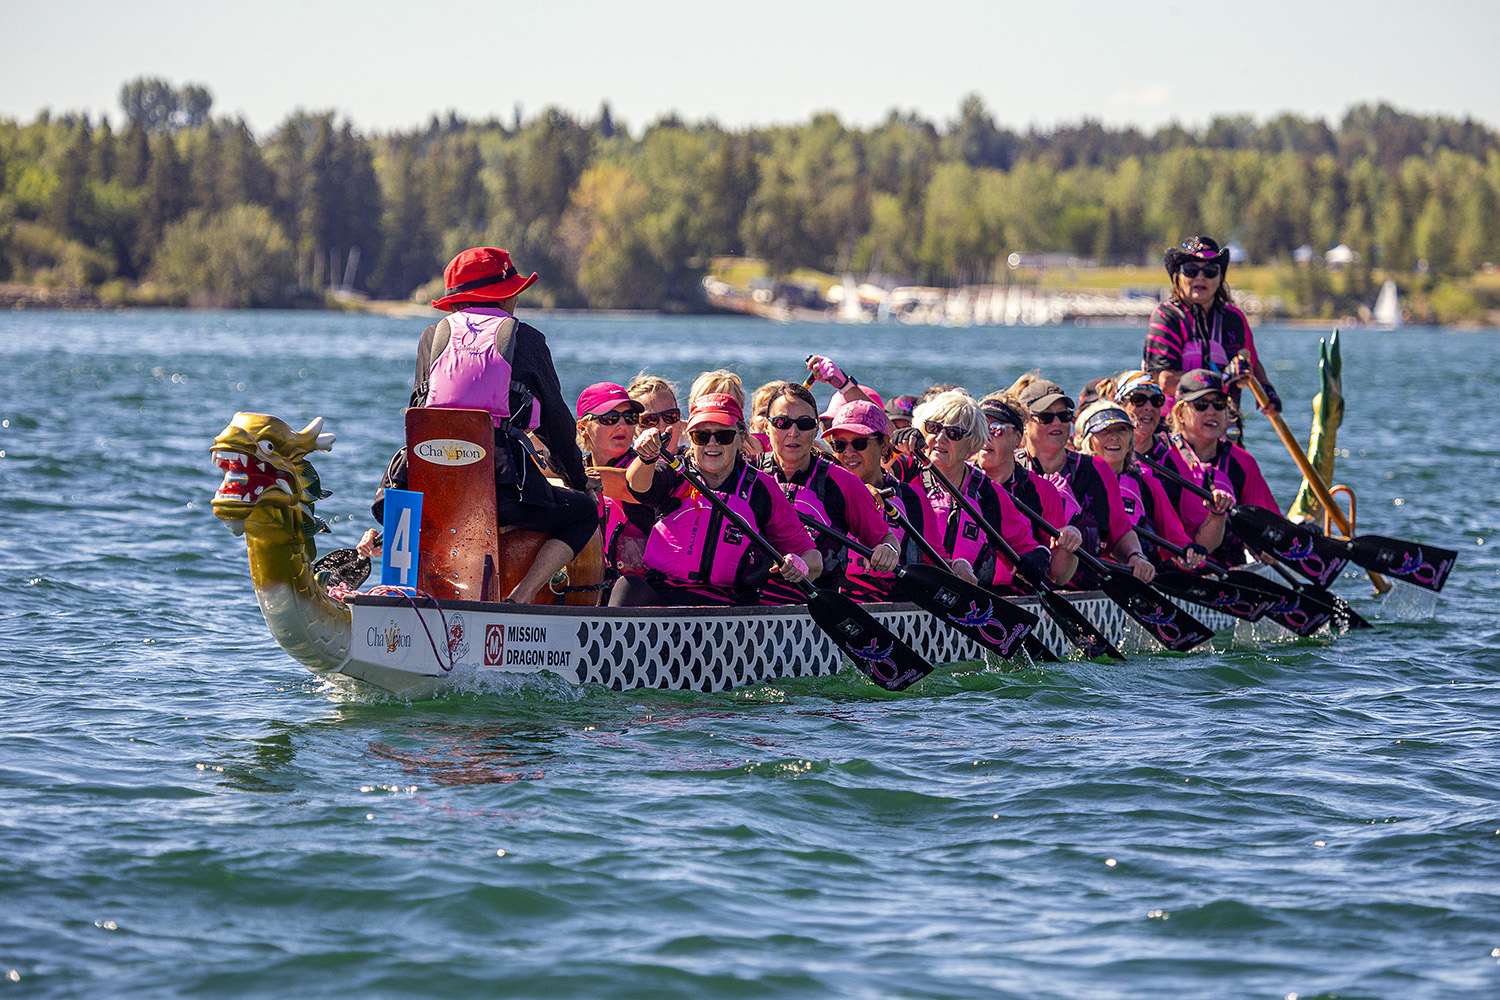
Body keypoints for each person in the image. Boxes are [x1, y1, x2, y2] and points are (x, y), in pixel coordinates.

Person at [362, 247, 598, 604]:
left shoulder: (432, 336)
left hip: (424, 487)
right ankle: (519, 600)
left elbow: (418, 413)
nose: (518, 297)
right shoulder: (527, 339)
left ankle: (402, 597)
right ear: (503, 294)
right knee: (583, 513)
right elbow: (557, 425)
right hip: (499, 493)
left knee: (415, 502)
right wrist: (579, 483)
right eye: (514, 289)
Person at [609, 392, 819, 607]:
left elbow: (813, 558)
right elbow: (637, 485)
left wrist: (800, 565)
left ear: (740, 437)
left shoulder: (762, 488)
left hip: (731, 606)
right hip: (665, 595)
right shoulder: (674, 473)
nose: (712, 443)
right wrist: (645, 458)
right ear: (691, 439)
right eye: (701, 436)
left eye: (723, 436)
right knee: (628, 586)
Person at [753, 381, 900, 603]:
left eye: (803, 424)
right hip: (750, 604)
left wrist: (889, 550)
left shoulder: (844, 483)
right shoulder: (746, 473)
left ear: (815, 430)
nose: (793, 433)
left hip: (817, 606)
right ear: (767, 427)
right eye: (782, 423)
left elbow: (886, 538)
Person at [1013, 377, 1154, 584]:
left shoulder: (1098, 470)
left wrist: (1136, 556)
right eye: (1046, 417)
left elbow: (1121, 531)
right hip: (1023, 590)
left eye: (1064, 416)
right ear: (1024, 424)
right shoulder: (1010, 471)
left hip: (1087, 591)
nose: (1057, 423)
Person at [911, 390, 1049, 593]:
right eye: (933, 428)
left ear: (972, 446)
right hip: (908, 593)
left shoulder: (989, 494)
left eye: (954, 433)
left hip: (966, 597)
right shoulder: (904, 472)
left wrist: (1038, 558)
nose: (939, 438)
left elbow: (1026, 547)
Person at [1074, 401, 1230, 567]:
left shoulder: (1147, 483)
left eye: (1122, 430)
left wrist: (1191, 550)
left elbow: (1176, 542)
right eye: (1104, 431)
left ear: (1131, 440)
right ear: (1089, 441)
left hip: (1138, 576)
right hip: (1085, 577)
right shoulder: (1073, 481)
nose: (1114, 437)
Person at [1143, 235, 1282, 416]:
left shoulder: (1234, 318)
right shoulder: (1166, 317)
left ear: (1219, 279)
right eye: (1191, 270)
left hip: (1224, 424)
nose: (1200, 277)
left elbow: (1251, 362)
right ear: (1178, 277)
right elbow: (1166, 382)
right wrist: (1224, 378)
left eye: (1210, 271)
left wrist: (1267, 390)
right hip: (1173, 427)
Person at [822, 398, 944, 601]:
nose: (849, 453)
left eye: (859, 443)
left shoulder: (913, 498)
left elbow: (937, 561)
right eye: (840, 445)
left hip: (894, 610)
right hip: (837, 605)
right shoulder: (822, 492)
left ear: (884, 445)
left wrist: (958, 566)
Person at [1158, 369, 1280, 567]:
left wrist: (1266, 547)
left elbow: (1266, 524)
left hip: (1226, 572)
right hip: (1164, 570)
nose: (1211, 412)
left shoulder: (1244, 462)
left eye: (1219, 404)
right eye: (1201, 405)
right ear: (1180, 414)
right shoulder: (1159, 454)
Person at [971, 395, 1081, 585]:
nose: (986, 437)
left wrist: (1071, 543)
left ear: (1017, 439)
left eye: (997, 430)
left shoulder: (1044, 490)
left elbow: (1058, 576)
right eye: (981, 428)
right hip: (968, 589)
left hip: (1020, 594)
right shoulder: (958, 479)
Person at [627, 374, 684, 455]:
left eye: (670, 416)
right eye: (649, 420)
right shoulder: (623, 465)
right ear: (634, 428)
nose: (662, 427)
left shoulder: (698, 460)